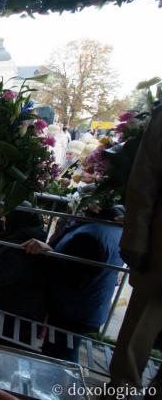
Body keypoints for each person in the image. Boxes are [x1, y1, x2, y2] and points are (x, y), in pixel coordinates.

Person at [22, 206, 125, 363]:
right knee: (62, 351)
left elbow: (72, 275)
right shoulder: (112, 230)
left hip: (73, 308)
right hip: (87, 306)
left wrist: (49, 252)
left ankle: (59, 386)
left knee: (60, 356)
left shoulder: (89, 235)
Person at [109, 104, 162, 393]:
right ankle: (119, 394)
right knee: (134, 345)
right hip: (158, 256)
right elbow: (145, 180)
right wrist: (136, 240)